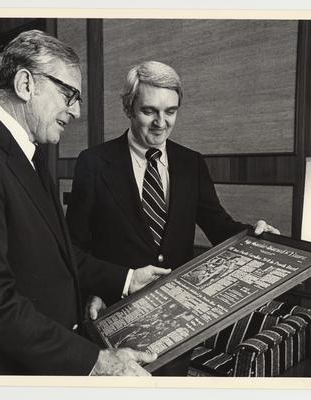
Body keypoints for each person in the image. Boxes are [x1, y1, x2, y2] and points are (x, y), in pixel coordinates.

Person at [0, 31, 170, 376]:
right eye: (69, 94)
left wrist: (128, 279)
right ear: (26, 84)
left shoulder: (34, 157)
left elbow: (60, 255)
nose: (77, 111)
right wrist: (96, 362)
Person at [65, 60, 280, 375]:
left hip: (175, 328)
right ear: (128, 108)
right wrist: (97, 291)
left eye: (170, 111)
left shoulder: (191, 163)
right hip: (112, 320)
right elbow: (73, 248)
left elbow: (219, 226)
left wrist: (254, 233)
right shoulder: (93, 164)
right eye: (149, 111)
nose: (160, 123)